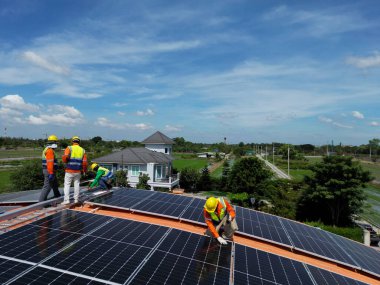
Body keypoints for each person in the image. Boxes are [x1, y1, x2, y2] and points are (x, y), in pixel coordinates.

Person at [62, 136, 87, 204]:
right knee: (77, 184)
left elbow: (65, 157)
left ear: (72, 141)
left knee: (67, 185)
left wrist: (65, 160)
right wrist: (84, 170)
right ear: (79, 142)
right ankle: (76, 199)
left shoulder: (69, 148)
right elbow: (84, 162)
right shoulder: (82, 150)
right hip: (78, 171)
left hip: (69, 170)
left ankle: (66, 200)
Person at [39, 135, 61, 202]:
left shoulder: (48, 149)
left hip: (49, 170)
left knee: (55, 184)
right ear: (53, 142)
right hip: (49, 171)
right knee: (47, 187)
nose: (57, 144)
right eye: (56, 142)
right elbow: (50, 163)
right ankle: (41, 202)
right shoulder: (50, 151)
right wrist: (51, 173)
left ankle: (58, 197)